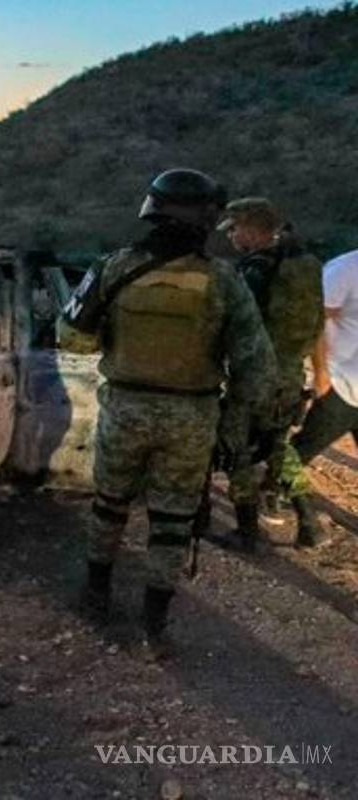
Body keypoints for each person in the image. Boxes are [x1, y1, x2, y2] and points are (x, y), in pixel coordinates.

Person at [63, 169, 275, 657]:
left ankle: (96, 595)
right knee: (173, 522)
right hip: (192, 418)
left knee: (109, 504)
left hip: (125, 409)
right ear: (205, 219)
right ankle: (152, 629)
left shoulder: (113, 267)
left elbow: (72, 335)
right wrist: (243, 423)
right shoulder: (224, 280)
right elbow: (257, 367)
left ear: (150, 211)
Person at [216, 198, 323, 548]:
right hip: (290, 374)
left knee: (238, 450)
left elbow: (240, 324)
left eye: (234, 229)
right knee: (279, 448)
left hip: (255, 376)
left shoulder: (256, 270)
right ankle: (308, 523)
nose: (231, 236)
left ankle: (248, 531)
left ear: (251, 228)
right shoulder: (302, 263)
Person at [292, 248, 358, 480]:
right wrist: (321, 374)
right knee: (303, 449)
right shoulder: (346, 269)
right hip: (340, 384)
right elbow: (314, 320)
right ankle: (272, 490)